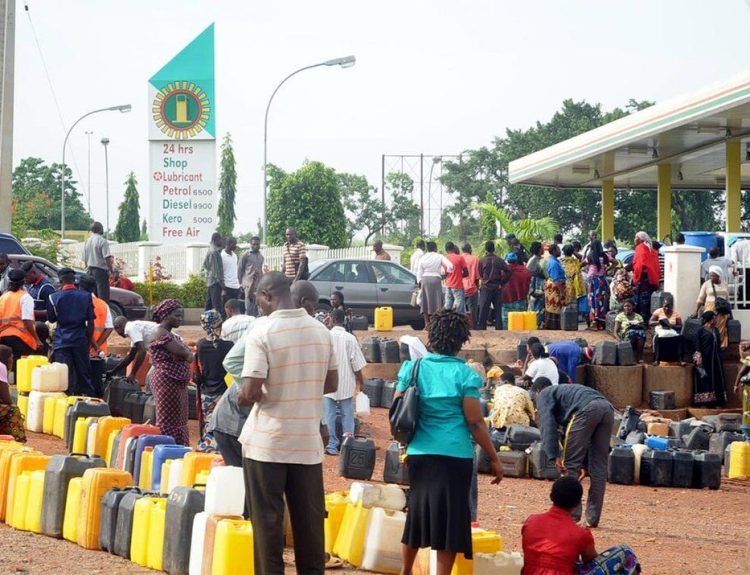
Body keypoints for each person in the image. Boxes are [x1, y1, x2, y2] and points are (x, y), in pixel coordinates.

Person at [238, 272, 337, 574]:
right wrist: (299, 385)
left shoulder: (263, 330)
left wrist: (243, 395)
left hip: (267, 444)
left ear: (267, 295)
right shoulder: (321, 331)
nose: (258, 304)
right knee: (310, 528)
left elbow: (252, 390)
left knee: (268, 527)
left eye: (258, 298)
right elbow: (330, 383)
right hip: (306, 445)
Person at [397, 310, 502, 575]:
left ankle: (406, 571)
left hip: (419, 452)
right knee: (452, 520)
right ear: (461, 341)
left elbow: (398, 405)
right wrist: (494, 457)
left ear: (431, 337)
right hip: (456, 456)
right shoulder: (465, 376)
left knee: (417, 515)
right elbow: (476, 423)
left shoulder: (413, 367)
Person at [532, 378, 614, 528]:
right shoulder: (565, 393)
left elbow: (547, 424)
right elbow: (572, 435)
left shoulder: (544, 394)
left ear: (536, 391)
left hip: (586, 410)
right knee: (599, 468)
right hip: (607, 408)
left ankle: (571, 516)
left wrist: (553, 455)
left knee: (569, 466)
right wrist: (584, 464)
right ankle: (592, 518)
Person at [522, 476, 598, 574]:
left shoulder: (531, 521)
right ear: (577, 504)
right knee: (623, 551)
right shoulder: (581, 533)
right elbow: (593, 561)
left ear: (551, 496)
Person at [148, 299, 194, 446]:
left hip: (175, 381)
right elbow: (185, 354)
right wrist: (190, 354)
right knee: (167, 419)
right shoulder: (160, 332)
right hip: (166, 381)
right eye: (177, 315)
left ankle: (177, 447)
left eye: (181, 316)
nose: (180, 319)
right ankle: (168, 448)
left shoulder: (169, 334)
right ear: (165, 314)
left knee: (178, 418)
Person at [324, 309, 367, 456]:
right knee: (347, 415)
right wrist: (361, 381)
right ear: (344, 320)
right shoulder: (350, 338)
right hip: (346, 383)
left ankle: (331, 445)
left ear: (331, 319)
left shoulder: (326, 336)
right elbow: (357, 364)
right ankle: (347, 445)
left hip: (328, 383)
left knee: (328, 415)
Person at [47, 268, 95, 395]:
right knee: (84, 375)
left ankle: (66, 406)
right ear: (74, 280)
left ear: (60, 280)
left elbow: (51, 319)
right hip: (80, 339)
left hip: (62, 341)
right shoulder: (86, 296)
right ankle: (88, 403)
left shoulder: (53, 297)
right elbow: (91, 322)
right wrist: (88, 341)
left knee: (64, 377)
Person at [194, 310, 233, 452]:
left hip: (207, 393)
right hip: (224, 392)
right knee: (224, 422)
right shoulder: (229, 345)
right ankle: (221, 449)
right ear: (220, 324)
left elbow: (198, 372)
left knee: (208, 422)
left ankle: (207, 448)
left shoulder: (201, 345)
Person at [0, 269, 42, 365]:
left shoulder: (3, 297)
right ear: (23, 282)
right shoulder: (26, 297)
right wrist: (37, 339)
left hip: (3, 337)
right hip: (20, 338)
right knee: (21, 367)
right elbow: (27, 320)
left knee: (5, 367)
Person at [693, 310, 727, 406]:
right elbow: (697, 346)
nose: (716, 319)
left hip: (716, 360)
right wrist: (699, 359)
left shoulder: (715, 330)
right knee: (705, 379)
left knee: (717, 380)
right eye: (715, 318)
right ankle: (705, 402)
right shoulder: (700, 331)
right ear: (711, 320)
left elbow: (718, 344)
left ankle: (717, 402)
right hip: (705, 360)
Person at [417, 241, 453, 327]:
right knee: (437, 302)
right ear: (435, 248)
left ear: (427, 249)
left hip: (425, 279)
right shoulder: (439, 256)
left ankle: (426, 324)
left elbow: (419, 271)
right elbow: (450, 266)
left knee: (425, 302)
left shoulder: (423, 257)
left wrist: (419, 282)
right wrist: (446, 275)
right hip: (436, 279)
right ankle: (436, 324)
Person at [477, 241, 511, 331]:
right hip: (497, 287)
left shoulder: (482, 260)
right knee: (498, 311)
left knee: (483, 311)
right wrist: (502, 282)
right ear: (494, 249)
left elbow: (480, 273)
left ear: (486, 249)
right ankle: (499, 330)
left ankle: (481, 331)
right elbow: (509, 271)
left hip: (486, 287)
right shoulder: (499, 260)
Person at [695, 265, 731, 349]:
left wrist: (730, 312)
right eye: (710, 275)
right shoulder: (706, 284)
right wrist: (696, 311)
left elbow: (727, 299)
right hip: (710, 308)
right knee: (709, 326)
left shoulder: (724, 284)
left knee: (720, 328)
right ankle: (709, 345)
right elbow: (700, 299)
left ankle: (719, 347)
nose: (711, 277)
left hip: (722, 310)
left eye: (714, 275)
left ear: (719, 276)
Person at [78, 275, 113, 358]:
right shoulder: (103, 304)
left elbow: (87, 328)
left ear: (80, 288)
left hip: (84, 350)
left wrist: (94, 347)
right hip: (100, 352)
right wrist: (97, 346)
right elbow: (109, 328)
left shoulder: (79, 303)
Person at [631, 231, 660, 319]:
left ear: (640, 239)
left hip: (644, 279)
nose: (634, 240)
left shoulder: (640, 247)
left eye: (636, 238)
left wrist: (635, 279)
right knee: (650, 302)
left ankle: (642, 321)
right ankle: (649, 320)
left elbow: (639, 264)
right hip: (652, 279)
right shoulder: (651, 249)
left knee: (643, 301)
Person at [83, 222, 114, 302]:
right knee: (103, 298)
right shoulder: (102, 241)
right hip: (100, 272)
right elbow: (107, 258)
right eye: (102, 227)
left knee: (92, 298)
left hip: (89, 271)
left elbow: (84, 258)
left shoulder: (87, 241)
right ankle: (102, 314)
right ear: (100, 229)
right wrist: (111, 271)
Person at [649, 294, 684, 364]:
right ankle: (657, 360)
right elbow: (650, 322)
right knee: (658, 338)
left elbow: (680, 325)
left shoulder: (675, 313)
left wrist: (672, 326)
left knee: (680, 338)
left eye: (669, 307)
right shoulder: (658, 311)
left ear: (672, 306)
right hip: (661, 329)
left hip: (671, 330)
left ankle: (680, 360)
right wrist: (660, 322)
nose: (667, 308)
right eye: (665, 306)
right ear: (663, 305)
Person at [0, 346, 25, 442]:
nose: (12, 360)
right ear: (6, 358)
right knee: (13, 410)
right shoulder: (1, 367)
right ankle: (19, 442)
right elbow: (7, 399)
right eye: (11, 358)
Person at [501, 252, 531, 329]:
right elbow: (528, 281)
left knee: (506, 320)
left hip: (506, 299)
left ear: (507, 260)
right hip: (520, 299)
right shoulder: (524, 270)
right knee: (520, 320)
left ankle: (507, 336)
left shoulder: (503, 271)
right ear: (516, 260)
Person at [586, 240, 611, 330]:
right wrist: (606, 269)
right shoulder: (605, 256)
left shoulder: (590, 256)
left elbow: (582, 263)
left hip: (592, 279)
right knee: (600, 299)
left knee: (592, 300)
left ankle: (593, 322)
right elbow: (615, 262)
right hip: (601, 279)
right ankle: (600, 322)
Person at [238, 236, 264, 316]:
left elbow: (260, 270)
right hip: (248, 286)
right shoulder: (246, 255)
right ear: (251, 244)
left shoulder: (261, 256)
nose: (256, 246)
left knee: (257, 308)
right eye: (254, 244)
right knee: (249, 308)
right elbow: (240, 269)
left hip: (258, 285)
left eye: (257, 244)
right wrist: (241, 284)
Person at [544, 244, 567, 330]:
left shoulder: (555, 261)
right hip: (555, 287)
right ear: (554, 251)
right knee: (555, 307)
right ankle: (554, 327)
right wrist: (561, 292)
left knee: (555, 307)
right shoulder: (554, 263)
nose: (560, 251)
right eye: (558, 249)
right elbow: (556, 279)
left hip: (556, 286)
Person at [203, 232, 225, 314]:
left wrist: (210, 274)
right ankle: (217, 325)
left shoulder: (210, 250)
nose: (221, 242)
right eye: (220, 240)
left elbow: (205, 265)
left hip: (210, 281)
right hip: (215, 283)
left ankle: (205, 323)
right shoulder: (214, 252)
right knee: (217, 306)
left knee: (208, 305)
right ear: (216, 240)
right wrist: (222, 284)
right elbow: (216, 271)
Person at [443, 242, 467, 314]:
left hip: (448, 285)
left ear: (446, 250)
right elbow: (466, 272)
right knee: (459, 308)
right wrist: (459, 276)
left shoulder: (445, 259)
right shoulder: (460, 258)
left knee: (448, 306)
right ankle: (458, 323)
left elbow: (445, 273)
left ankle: (447, 322)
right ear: (454, 248)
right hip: (458, 286)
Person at [527, 241, 547, 326]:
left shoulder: (531, 260)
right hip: (539, 286)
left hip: (532, 286)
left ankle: (532, 323)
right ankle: (536, 323)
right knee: (539, 306)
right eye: (542, 248)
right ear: (539, 250)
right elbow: (546, 275)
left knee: (533, 305)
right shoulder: (542, 261)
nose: (544, 249)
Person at [221, 236, 242, 313]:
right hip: (227, 287)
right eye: (234, 244)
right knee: (226, 310)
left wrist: (239, 285)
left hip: (236, 287)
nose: (236, 246)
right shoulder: (221, 256)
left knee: (235, 310)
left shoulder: (235, 255)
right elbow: (220, 273)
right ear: (229, 244)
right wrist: (223, 288)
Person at [561, 244, 585, 311]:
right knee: (573, 304)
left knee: (565, 303)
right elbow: (582, 258)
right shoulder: (575, 262)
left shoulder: (560, 261)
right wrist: (574, 252)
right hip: (574, 285)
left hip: (563, 284)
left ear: (563, 252)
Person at [461, 243, 480, 326]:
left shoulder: (459, 258)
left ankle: (462, 326)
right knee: (473, 310)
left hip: (460, 287)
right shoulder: (475, 259)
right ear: (470, 250)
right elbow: (476, 276)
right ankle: (474, 326)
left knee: (461, 309)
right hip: (472, 287)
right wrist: (477, 287)